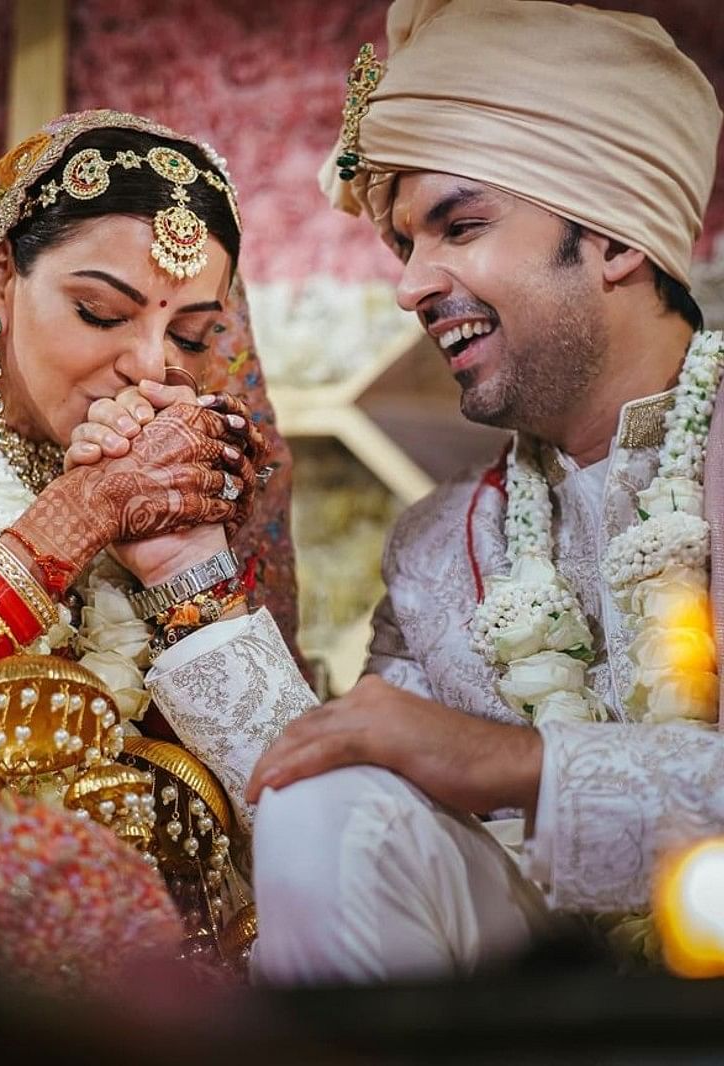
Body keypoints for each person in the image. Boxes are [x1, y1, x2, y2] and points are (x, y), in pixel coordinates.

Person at [236, 0, 724, 983]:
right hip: (528, 1007)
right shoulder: (439, 545)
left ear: (613, 242)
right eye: (405, 247)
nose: (411, 286)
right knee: (322, 804)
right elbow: (315, 783)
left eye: (458, 225)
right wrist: (183, 572)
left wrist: (519, 762)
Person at [0, 108, 304, 988]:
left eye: (191, 335)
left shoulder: (189, 487)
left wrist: (186, 568)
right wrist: (75, 517)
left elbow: (290, 796)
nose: (150, 365)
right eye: (100, 311)